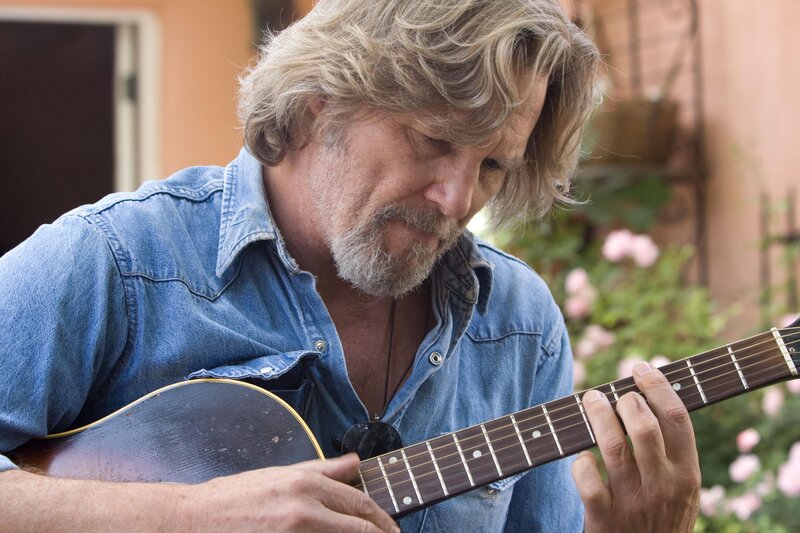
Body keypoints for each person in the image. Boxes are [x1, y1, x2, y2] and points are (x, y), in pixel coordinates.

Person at [0, 0, 700, 531]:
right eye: (435, 140)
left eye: (492, 165)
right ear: (320, 102)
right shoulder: (119, 261)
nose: (458, 199)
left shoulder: (518, 323)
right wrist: (190, 515)